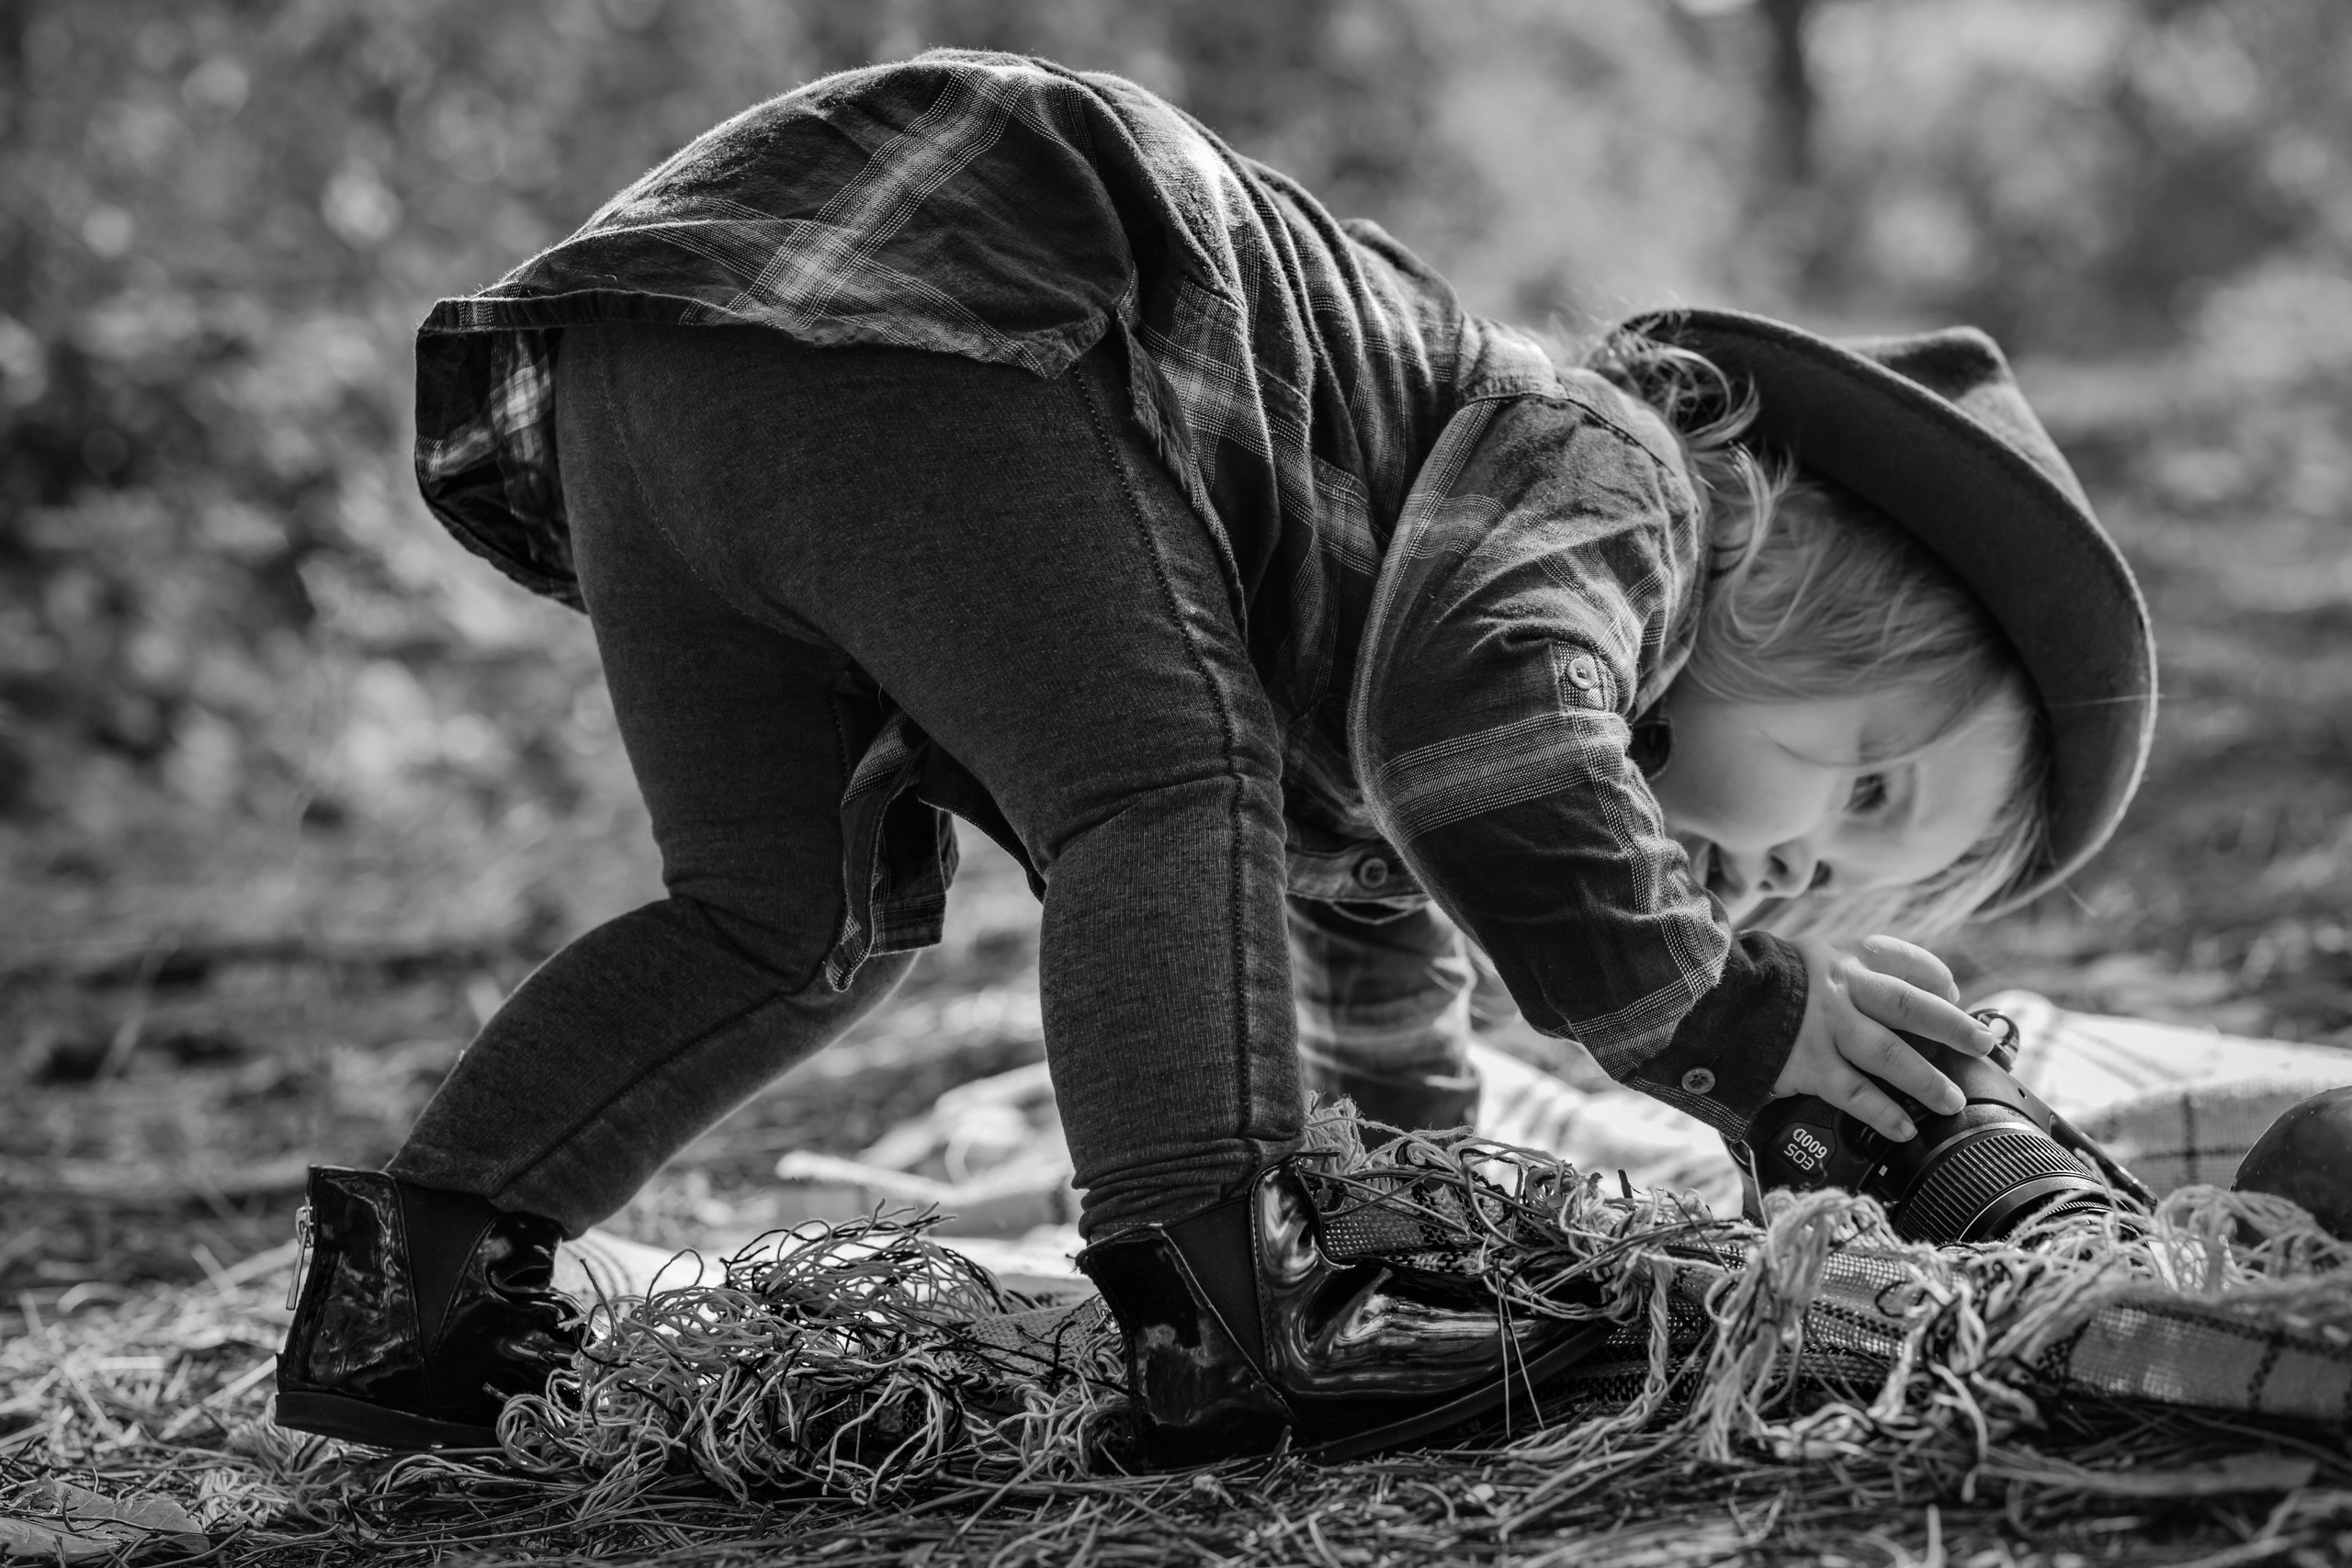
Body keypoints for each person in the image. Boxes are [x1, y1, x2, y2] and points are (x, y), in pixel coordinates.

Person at [271, 51, 2155, 1464]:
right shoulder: (1619, 486)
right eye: (1864, 782)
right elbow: (1498, 746)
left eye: (1852, 876)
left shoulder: (1424, 713)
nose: (1792, 874)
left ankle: (413, 1292)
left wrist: (1431, 1209)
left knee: (781, 916)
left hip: (664, 385)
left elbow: (1381, 980)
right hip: (956, 295)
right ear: (1788, 569)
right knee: (1162, 796)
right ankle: (1225, 1323)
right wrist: (1733, 1023)